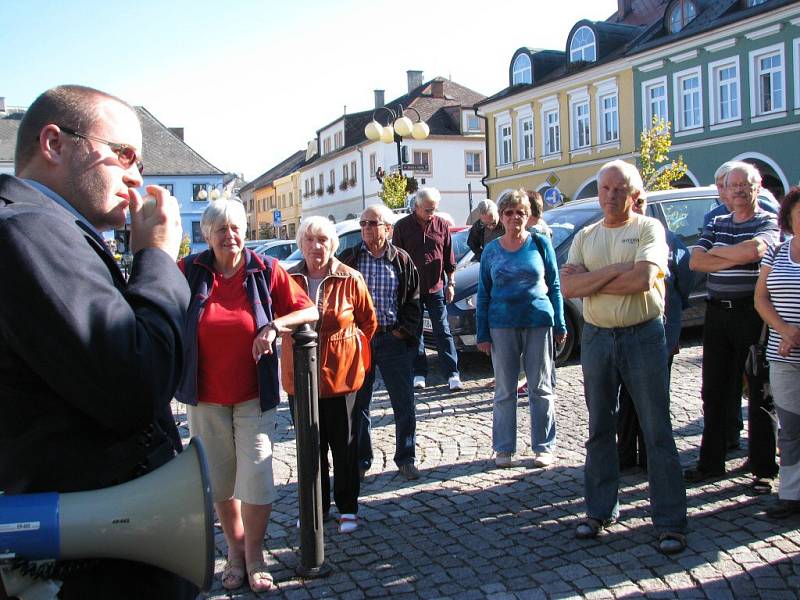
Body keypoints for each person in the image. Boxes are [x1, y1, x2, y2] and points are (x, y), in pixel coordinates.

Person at [0, 85, 195, 599]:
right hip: (89, 570)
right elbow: (134, 380)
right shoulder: (29, 230)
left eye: (142, 161)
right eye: (124, 153)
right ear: (54, 143)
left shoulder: (48, 227)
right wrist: (156, 256)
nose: (136, 174)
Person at [175, 198, 317, 592]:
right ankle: (234, 554)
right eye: (221, 229)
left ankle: (255, 555)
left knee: (256, 475)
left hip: (253, 394)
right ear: (206, 235)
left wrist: (274, 325)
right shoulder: (190, 270)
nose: (230, 236)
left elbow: (310, 312)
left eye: (236, 228)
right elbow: (160, 306)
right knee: (220, 482)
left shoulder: (265, 269)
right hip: (204, 395)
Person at [561, 159, 687, 555]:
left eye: (619, 189)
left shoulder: (649, 228)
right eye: (605, 189)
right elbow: (568, 286)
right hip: (597, 340)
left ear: (634, 194)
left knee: (657, 430)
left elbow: (642, 279)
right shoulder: (586, 235)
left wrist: (594, 281)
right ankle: (600, 511)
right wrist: (616, 271)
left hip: (643, 336)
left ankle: (670, 521)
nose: (611, 196)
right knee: (599, 428)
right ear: (598, 192)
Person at [685, 163, 780, 485]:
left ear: (757, 188)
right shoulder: (717, 222)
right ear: (724, 189)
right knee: (714, 391)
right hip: (717, 315)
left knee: (758, 389)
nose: (738, 190)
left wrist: (722, 255)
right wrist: (736, 255)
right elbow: (696, 261)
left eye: (745, 185)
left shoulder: (767, 221)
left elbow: (757, 249)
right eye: (733, 185)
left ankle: (763, 468)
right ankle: (710, 464)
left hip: (750, 314)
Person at [281, 216, 377, 532]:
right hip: (301, 380)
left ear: (332, 244)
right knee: (311, 448)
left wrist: (350, 355)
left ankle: (348, 507)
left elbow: (368, 322)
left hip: (341, 379)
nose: (315, 246)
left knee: (345, 446)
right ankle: (316, 509)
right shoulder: (287, 279)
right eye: (309, 239)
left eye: (322, 239)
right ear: (301, 244)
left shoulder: (350, 278)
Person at [476, 189, 565, 469]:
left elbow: (555, 285)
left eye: (521, 213)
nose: (515, 217)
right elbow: (483, 293)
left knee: (540, 387)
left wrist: (560, 322)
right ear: (501, 217)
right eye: (509, 212)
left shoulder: (539, 243)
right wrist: (482, 333)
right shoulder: (491, 250)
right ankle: (503, 448)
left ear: (528, 217)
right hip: (501, 324)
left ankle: (544, 446)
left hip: (538, 320)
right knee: (505, 389)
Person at [341, 204, 423, 481]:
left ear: (387, 228)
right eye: (363, 223)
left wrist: (403, 332)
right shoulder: (350, 258)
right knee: (358, 404)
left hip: (392, 339)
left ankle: (406, 457)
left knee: (404, 402)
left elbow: (414, 300)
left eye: (372, 223)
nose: (365, 228)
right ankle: (361, 459)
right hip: (360, 341)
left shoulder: (400, 259)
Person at [616, 192, 694, 470]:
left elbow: (683, 282)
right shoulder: (615, 237)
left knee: (655, 399)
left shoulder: (667, 238)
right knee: (626, 396)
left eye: (640, 202)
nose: (636, 206)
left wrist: (674, 330)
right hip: (624, 329)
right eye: (631, 201)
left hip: (660, 330)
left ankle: (653, 457)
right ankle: (625, 454)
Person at [754, 187, 800, 517]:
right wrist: (784, 330)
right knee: (790, 428)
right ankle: (792, 493)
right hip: (783, 355)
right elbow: (761, 298)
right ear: (790, 219)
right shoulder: (778, 252)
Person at [392, 187, 462, 391]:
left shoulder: (441, 225)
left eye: (434, 209)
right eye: (428, 210)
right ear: (416, 207)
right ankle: (419, 373)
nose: (431, 214)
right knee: (416, 332)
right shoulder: (402, 226)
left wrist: (451, 283)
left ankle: (452, 373)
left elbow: (449, 258)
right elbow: (395, 260)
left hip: (436, 288)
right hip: (411, 290)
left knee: (443, 331)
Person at [703, 160, 779, 229]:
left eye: (733, 185)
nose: (725, 191)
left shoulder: (770, 212)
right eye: (721, 186)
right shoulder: (712, 218)